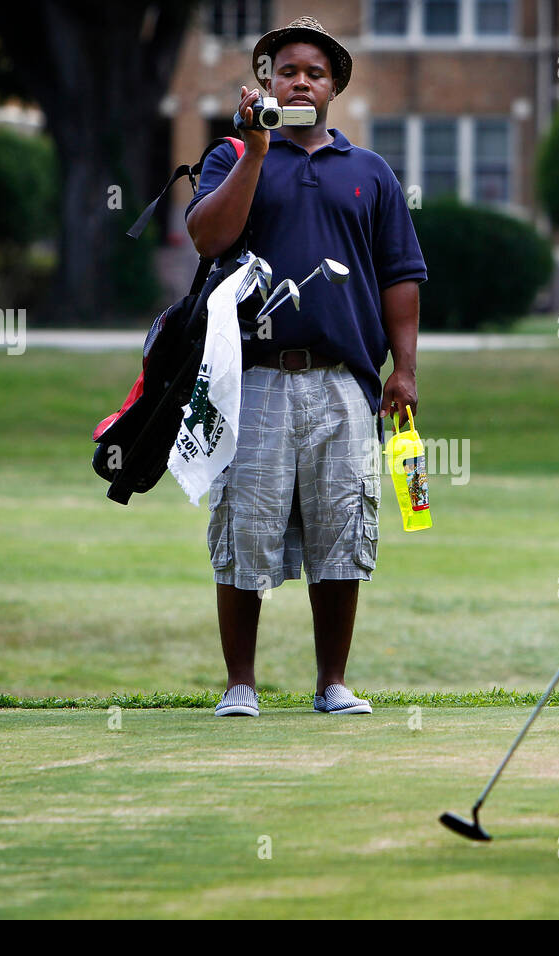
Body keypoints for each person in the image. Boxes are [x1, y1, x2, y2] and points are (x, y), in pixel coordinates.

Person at [184, 16, 426, 717]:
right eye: (285, 69)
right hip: (254, 377)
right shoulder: (233, 155)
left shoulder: (370, 172)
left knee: (341, 529)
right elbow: (209, 236)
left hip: (344, 381)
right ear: (265, 80)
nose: (299, 81)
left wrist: (403, 371)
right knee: (245, 528)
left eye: (314, 73)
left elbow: (400, 278)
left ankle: (332, 684)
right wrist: (256, 149)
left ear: (335, 87)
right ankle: (241, 684)